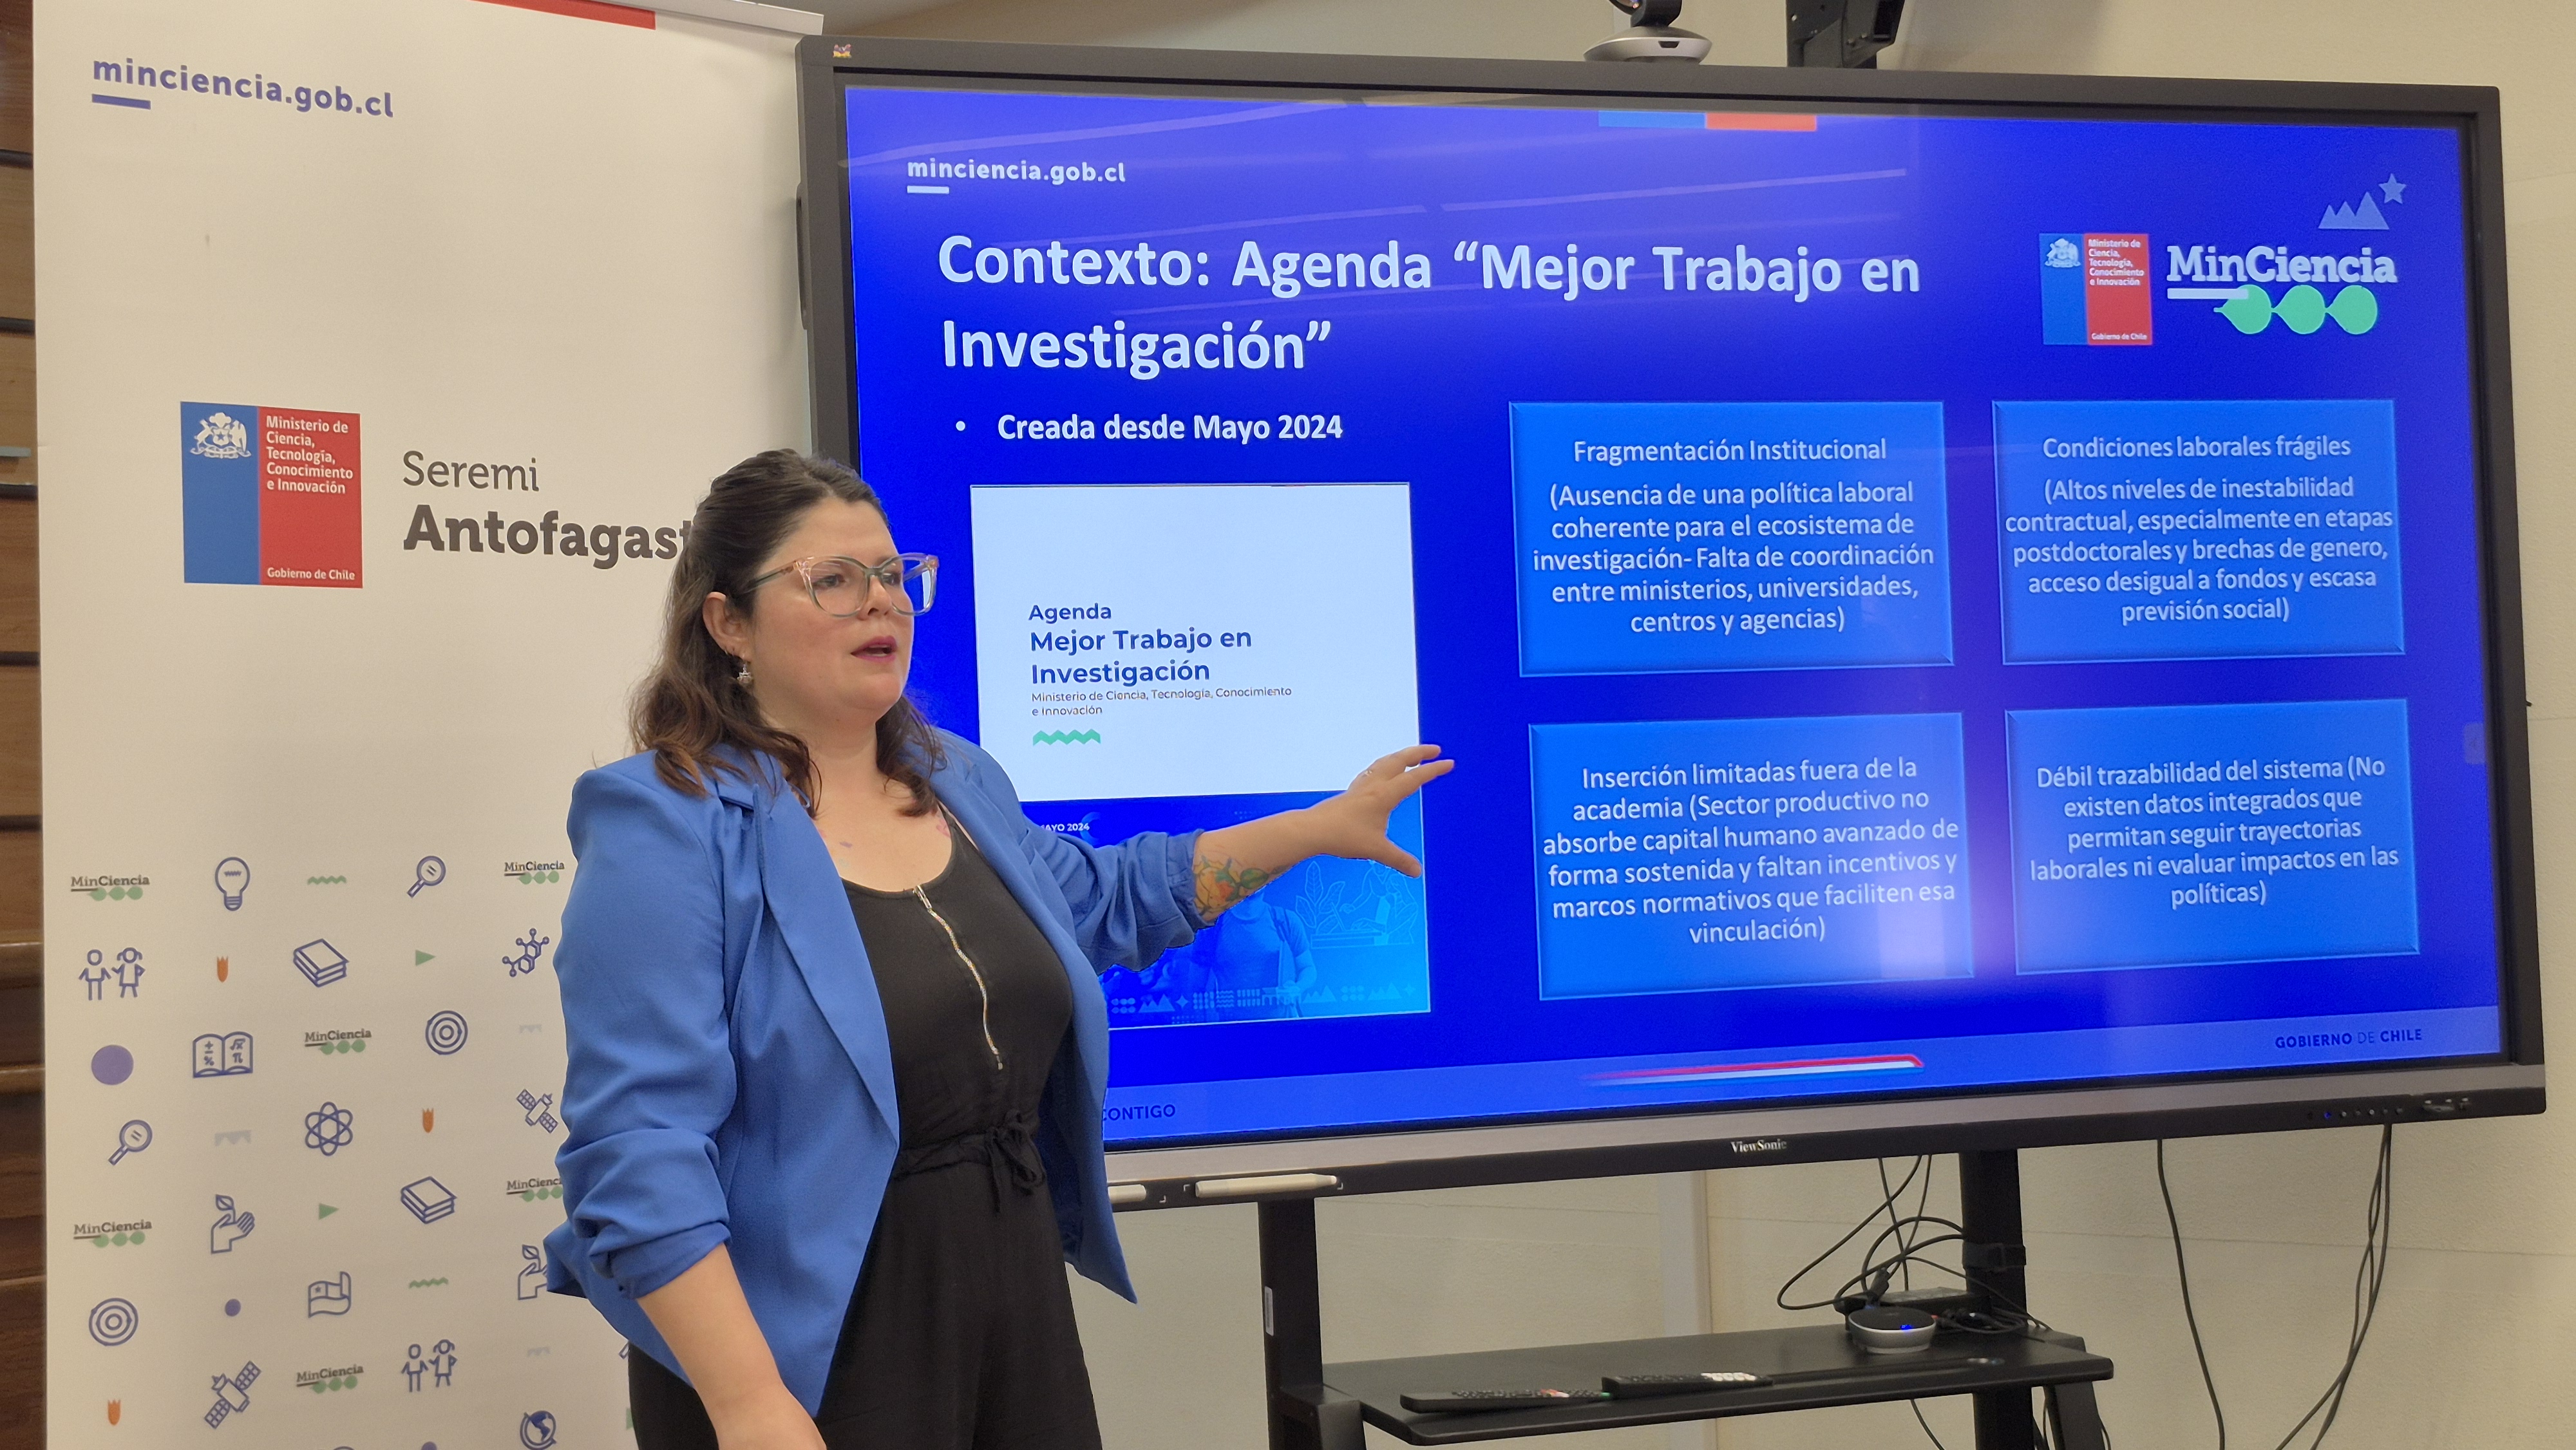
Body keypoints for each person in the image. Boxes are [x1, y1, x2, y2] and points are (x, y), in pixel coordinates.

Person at [544, 449, 1450, 1450]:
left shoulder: (958, 780)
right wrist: (751, 1403)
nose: (880, 602)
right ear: (729, 624)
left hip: (1008, 1292)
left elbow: (1109, 900)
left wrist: (1318, 828)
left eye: (893, 574)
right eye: (832, 579)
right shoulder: (668, 823)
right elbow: (639, 1151)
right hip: (801, 1345)